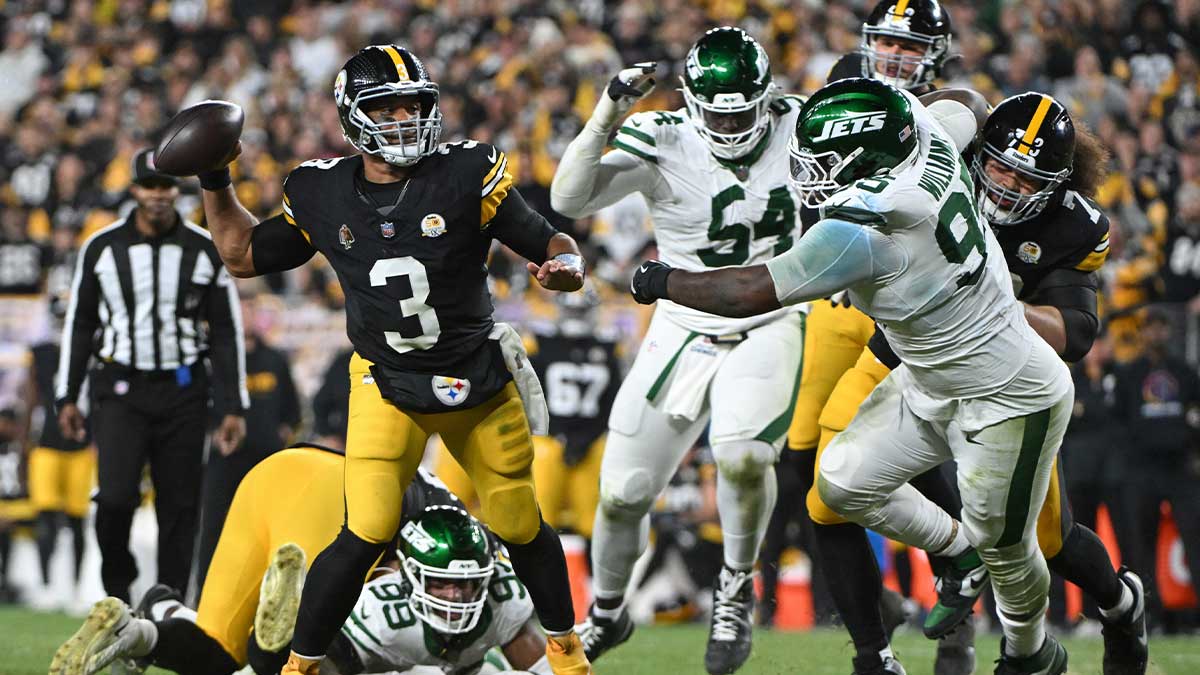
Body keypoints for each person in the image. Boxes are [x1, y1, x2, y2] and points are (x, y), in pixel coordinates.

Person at [631, 78, 1074, 674]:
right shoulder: (927, 135)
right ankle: (957, 553)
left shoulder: (869, 231)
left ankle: (1030, 653)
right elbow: (968, 101)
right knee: (840, 484)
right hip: (928, 378)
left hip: (1009, 392)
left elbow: (748, 291)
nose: (809, 169)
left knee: (1010, 548)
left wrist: (658, 280)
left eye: (825, 160)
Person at [192, 44, 590, 675]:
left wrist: (565, 264)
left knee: (517, 519)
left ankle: (568, 657)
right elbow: (241, 254)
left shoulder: (464, 172)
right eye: (389, 108)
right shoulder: (320, 189)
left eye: (415, 106)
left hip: (476, 380)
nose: (406, 120)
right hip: (387, 381)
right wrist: (215, 178)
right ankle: (298, 668)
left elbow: (546, 236)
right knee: (365, 531)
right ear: (353, 117)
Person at [550, 28, 807, 674]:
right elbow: (567, 199)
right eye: (715, 110)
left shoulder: (800, 124)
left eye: (740, 110)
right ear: (692, 102)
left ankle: (734, 587)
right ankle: (609, 611)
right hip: (685, 323)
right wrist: (609, 109)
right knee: (624, 491)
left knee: (745, 456)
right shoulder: (664, 136)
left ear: (766, 97)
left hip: (771, 316)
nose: (728, 123)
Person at [777, 3, 963, 671]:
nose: (894, 57)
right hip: (836, 296)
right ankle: (879, 619)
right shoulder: (845, 80)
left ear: (934, 55)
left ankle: (950, 579)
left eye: (910, 47)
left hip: (904, 305)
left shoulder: (950, 113)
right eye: (886, 41)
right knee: (803, 465)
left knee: (900, 456)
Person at [47, 445, 505, 675]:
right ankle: (277, 625)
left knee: (218, 649)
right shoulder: (458, 557)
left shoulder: (462, 538)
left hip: (278, 472)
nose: (456, 594)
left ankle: (139, 630)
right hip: (339, 506)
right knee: (294, 659)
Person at [55, 148, 248, 603]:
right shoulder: (101, 248)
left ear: (176, 192)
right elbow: (81, 324)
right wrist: (67, 395)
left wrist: (233, 405)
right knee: (116, 497)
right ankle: (118, 588)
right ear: (135, 189)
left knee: (180, 507)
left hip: (184, 391)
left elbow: (225, 331)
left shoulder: (204, 248)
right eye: (151, 186)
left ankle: (169, 604)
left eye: (166, 187)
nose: (159, 196)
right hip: (120, 389)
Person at [196, 297, 302, 588]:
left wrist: (282, 431)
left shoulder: (275, 360)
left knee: (270, 531)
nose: (245, 317)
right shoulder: (215, 362)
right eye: (239, 311)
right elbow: (197, 404)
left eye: (250, 311)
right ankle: (204, 596)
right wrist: (211, 432)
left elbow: (292, 409)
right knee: (214, 530)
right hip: (225, 459)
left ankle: (270, 594)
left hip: (267, 461)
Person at [1110, 307, 1200, 633]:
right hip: (1141, 469)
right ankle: (1150, 615)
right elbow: (1117, 421)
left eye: (1161, 327)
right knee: (1139, 547)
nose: (1156, 333)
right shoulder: (1129, 374)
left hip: (1180, 468)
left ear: (1169, 332)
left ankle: (1193, 618)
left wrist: (1191, 448)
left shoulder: (1186, 372)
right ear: (1142, 333)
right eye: (1150, 327)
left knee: (1195, 538)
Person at [24, 295, 93, 610]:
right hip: (48, 444)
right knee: (45, 516)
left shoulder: (89, 350)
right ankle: (46, 584)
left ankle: (77, 586)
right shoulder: (42, 353)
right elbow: (32, 394)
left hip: (81, 444)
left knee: (77, 518)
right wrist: (26, 439)